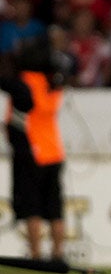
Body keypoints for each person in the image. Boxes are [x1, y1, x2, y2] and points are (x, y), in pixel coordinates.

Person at [4, 34, 65, 262]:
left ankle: (36, 253)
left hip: (31, 151)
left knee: (32, 206)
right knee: (55, 207)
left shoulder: (24, 83)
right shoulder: (53, 84)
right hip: (54, 151)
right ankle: (58, 252)